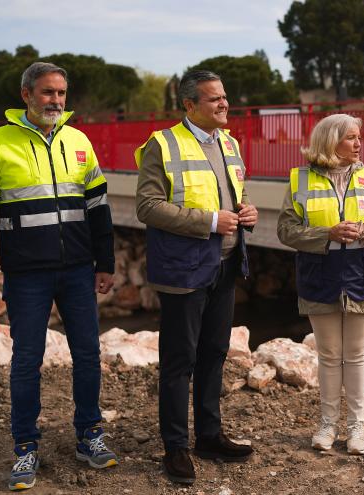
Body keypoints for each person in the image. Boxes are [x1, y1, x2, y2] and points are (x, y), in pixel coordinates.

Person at [0, 61, 118, 491]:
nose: (56, 101)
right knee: (26, 362)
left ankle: (89, 434)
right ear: (26, 95)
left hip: (77, 270)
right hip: (26, 275)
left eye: (61, 93)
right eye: (48, 93)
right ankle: (25, 447)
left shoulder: (79, 142)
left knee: (88, 355)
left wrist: (104, 262)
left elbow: (99, 209)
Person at [135, 69, 257, 484]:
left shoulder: (231, 143)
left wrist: (246, 213)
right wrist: (209, 221)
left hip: (223, 265)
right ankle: (175, 447)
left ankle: (208, 435)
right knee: (178, 361)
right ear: (189, 105)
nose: (224, 104)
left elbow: (231, 199)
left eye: (225, 97)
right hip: (183, 270)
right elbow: (148, 207)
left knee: (214, 354)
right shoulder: (162, 144)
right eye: (214, 99)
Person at [276, 113, 364, 455]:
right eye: (351, 137)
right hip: (320, 278)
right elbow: (285, 231)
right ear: (331, 140)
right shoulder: (300, 179)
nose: (359, 143)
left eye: (359, 137)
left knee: (358, 355)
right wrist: (326, 234)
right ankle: (327, 425)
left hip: (363, 276)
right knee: (330, 356)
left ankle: (357, 428)